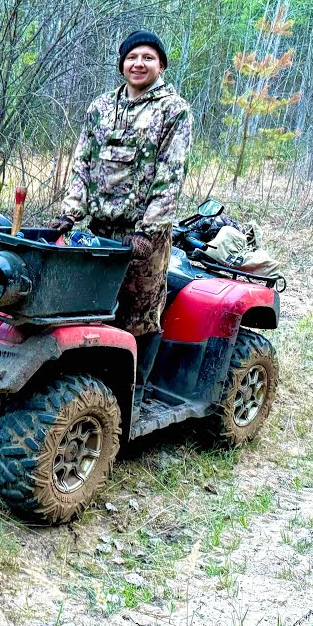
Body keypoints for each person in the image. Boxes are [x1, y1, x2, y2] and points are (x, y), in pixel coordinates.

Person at [51, 30, 193, 402]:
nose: (138, 64)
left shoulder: (173, 110)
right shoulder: (100, 107)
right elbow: (82, 164)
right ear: (122, 63)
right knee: (90, 309)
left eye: (148, 57)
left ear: (161, 65)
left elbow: (171, 175)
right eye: (132, 57)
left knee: (139, 314)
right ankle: (92, 393)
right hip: (99, 233)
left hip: (144, 238)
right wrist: (70, 215)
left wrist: (148, 232)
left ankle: (134, 397)